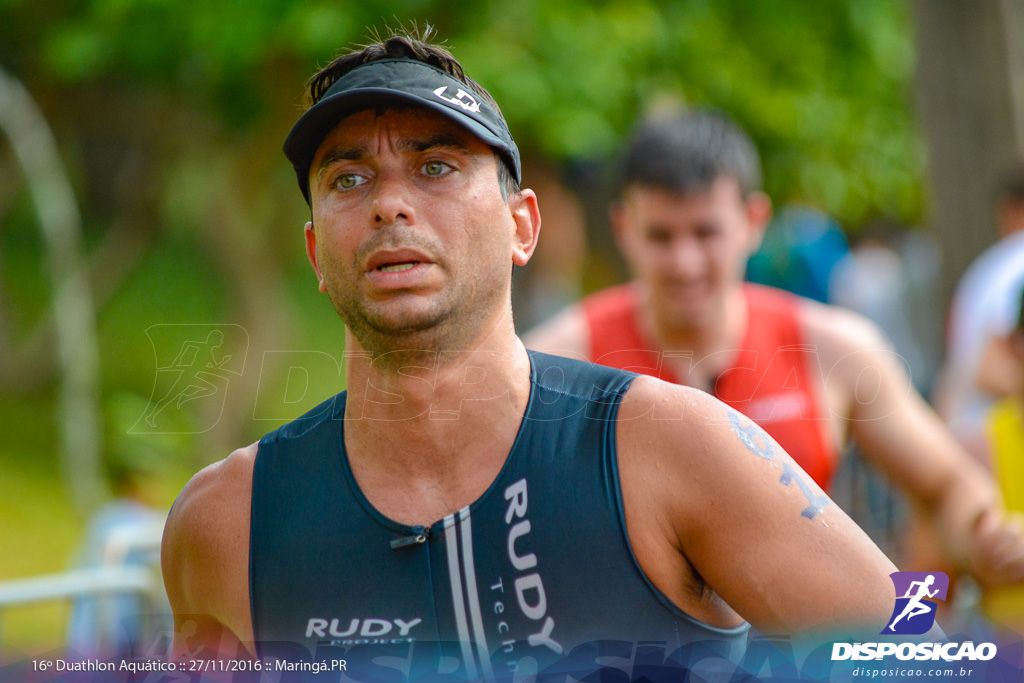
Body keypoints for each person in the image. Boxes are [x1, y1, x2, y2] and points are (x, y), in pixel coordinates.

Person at [162, 31, 921, 679]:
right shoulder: (228, 523)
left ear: (523, 226)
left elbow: (919, 651)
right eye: (349, 178)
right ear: (316, 254)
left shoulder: (667, 445)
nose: (390, 203)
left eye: (436, 167)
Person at [524, 109, 1024, 595]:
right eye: (661, 235)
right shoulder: (557, 364)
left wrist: (986, 534)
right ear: (623, 228)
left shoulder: (833, 348)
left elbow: (948, 485)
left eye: (705, 232)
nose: (685, 262)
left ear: (753, 220)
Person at [934, 162, 1024, 457]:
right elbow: (991, 369)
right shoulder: (1016, 264)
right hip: (997, 447)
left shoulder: (992, 266)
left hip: (969, 441)